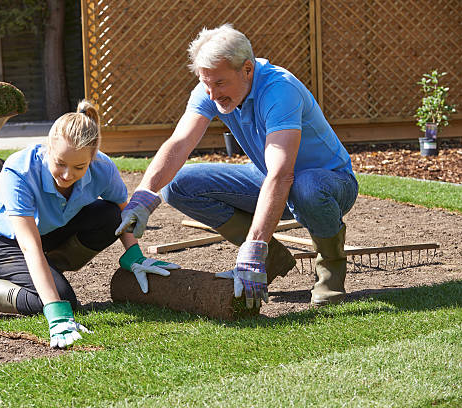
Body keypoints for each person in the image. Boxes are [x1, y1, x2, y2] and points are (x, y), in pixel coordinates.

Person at [116, 24, 358, 309]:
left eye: (219, 83)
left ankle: (330, 268)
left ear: (247, 69)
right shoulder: (210, 89)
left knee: (306, 187)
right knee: (179, 185)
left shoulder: (280, 90)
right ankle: (271, 258)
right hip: (268, 176)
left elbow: (282, 175)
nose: (211, 93)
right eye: (206, 83)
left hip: (329, 183)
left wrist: (253, 247)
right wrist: (144, 194)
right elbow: (180, 142)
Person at [0, 100, 179, 348]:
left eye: (79, 167)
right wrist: (56, 313)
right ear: (48, 150)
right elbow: (29, 247)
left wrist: (135, 256)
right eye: (60, 163)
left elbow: (121, 210)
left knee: (110, 217)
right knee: (61, 299)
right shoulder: (20, 171)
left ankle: (45, 273)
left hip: (46, 229)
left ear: (93, 158)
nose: (67, 175)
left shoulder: (103, 168)